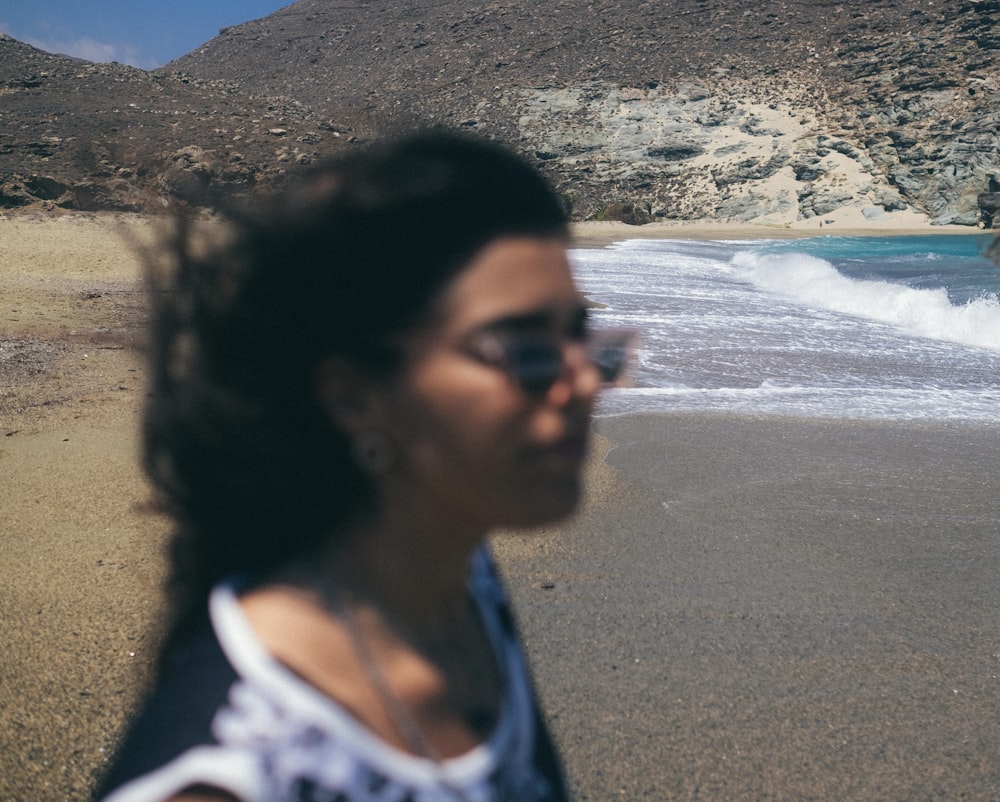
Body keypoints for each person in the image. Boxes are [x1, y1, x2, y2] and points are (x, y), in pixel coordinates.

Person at [97, 131, 633, 802]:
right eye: (525, 351)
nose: (581, 381)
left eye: (580, 335)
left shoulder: (463, 588)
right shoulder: (238, 771)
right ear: (353, 395)